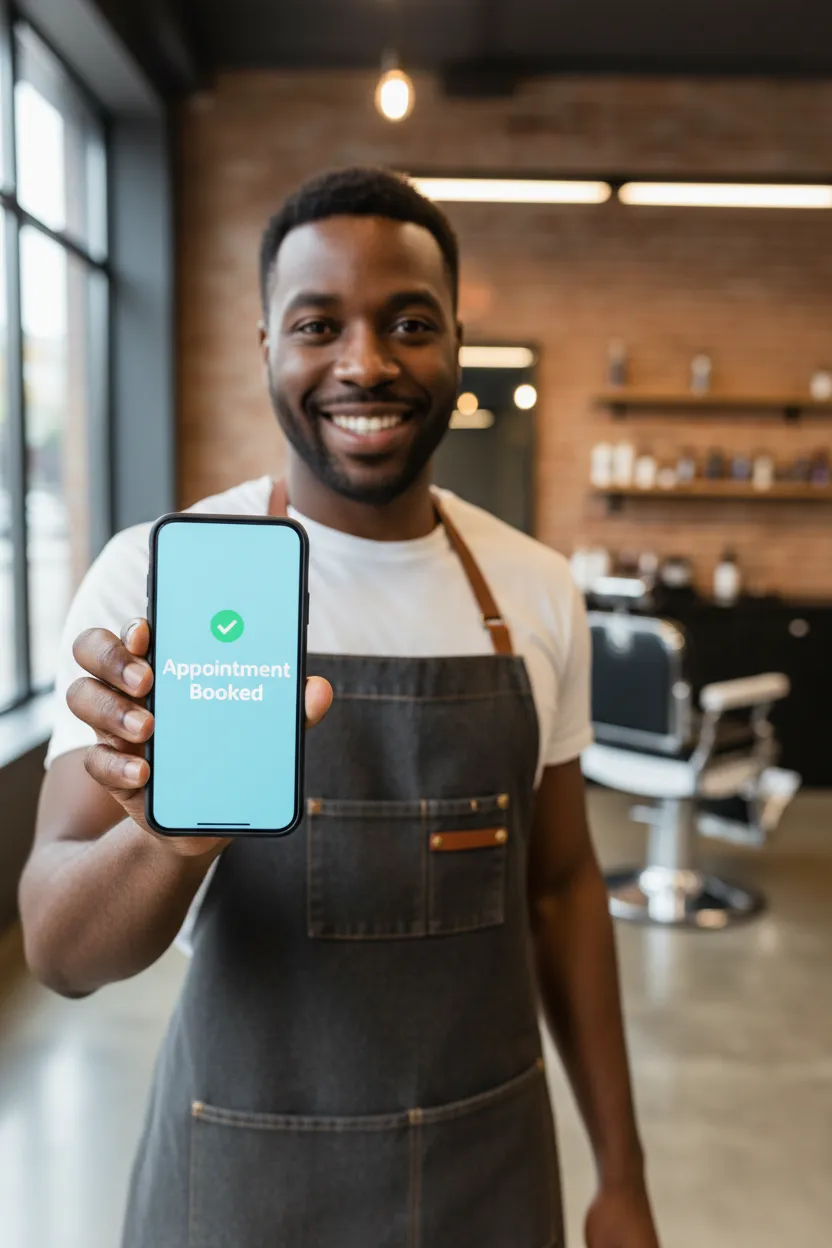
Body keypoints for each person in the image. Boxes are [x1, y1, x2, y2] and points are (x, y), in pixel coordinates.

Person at [20, 167, 660, 1248]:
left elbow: (559, 888)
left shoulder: (536, 589)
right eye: (319, 325)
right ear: (265, 343)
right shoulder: (156, 589)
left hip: (488, 1170)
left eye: (409, 322)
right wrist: (169, 844)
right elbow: (58, 948)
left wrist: (622, 1175)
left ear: (456, 344)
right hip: (243, 1180)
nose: (366, 362)